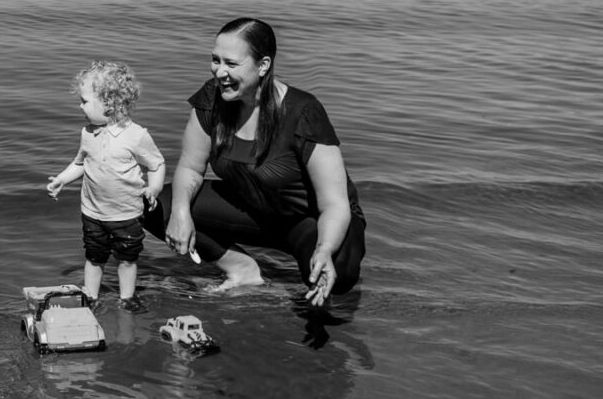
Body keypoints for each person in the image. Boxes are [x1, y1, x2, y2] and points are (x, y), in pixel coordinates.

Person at [151, 17, 365, 307]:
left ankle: (317, 256)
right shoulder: (211, 100)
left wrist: (325, 249)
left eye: (231, 63)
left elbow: (335, 204)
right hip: (252, 208)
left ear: (263, 65)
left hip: (307, 220)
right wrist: (179, 212)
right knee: (156, 206)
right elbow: (190, 167)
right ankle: (242, 269)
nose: (220, 72)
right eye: (216, 60)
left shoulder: (303, 113)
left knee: (337, 278)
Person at [46, 61, 166, 310]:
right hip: (93, 212)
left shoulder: (136, 136)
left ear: (109, 103)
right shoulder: (87, 133)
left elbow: (156, 164)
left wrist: (153, 189)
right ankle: (91, 296)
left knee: (127, 258)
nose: (80, 106)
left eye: (85, 101)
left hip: (127, 213)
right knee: (94, 256)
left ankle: (127, 297)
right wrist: (62, 179)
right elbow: (80, 163)